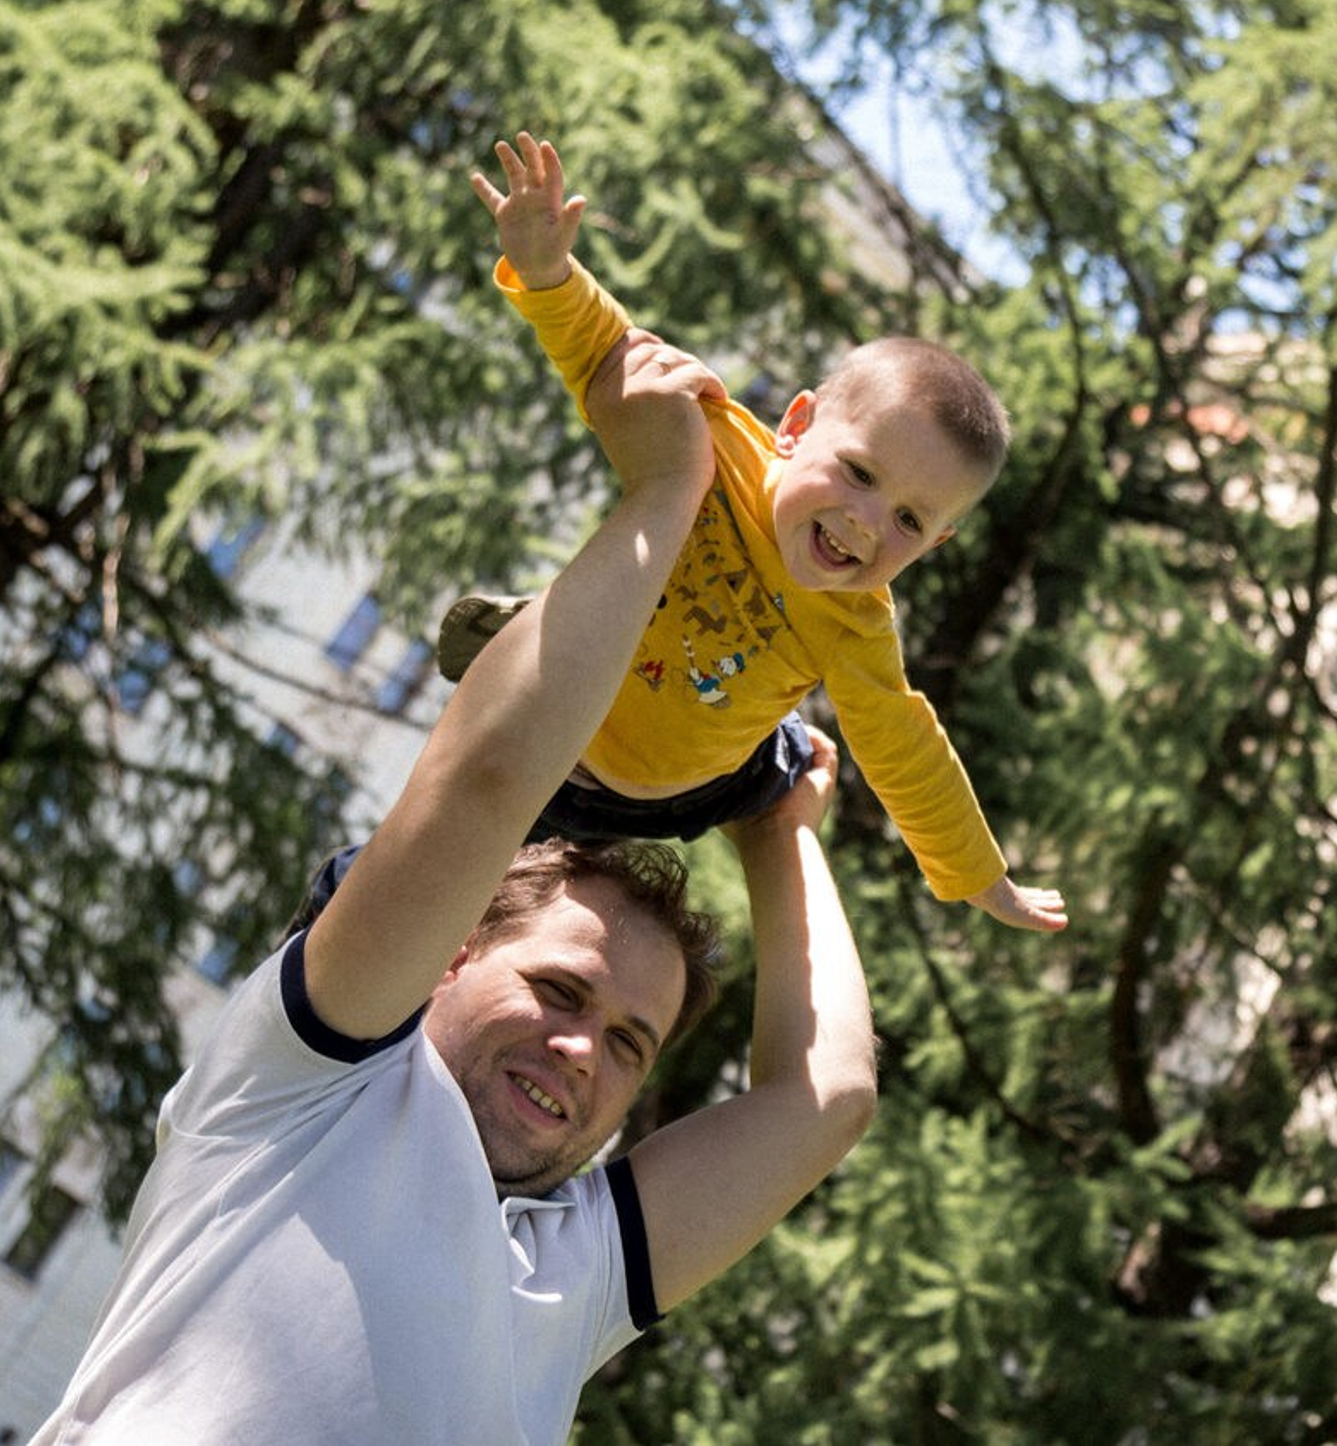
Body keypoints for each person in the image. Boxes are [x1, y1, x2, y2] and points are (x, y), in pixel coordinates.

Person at [31, 335, 877, 1446]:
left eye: (629, 1043)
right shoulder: (309, 1088)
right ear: (452, 955)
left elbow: (826, 1102)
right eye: (563, 992)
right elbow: (487, 782)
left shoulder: (566, 1279)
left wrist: (778, 831)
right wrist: (671, 491)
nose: (584, 1052)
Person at [452, 130, 1068, 935]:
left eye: (910, 521)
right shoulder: (715, 443)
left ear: (933, 546)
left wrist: (983, 881)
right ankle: (507, 633)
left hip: (673, 793)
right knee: (461, 890)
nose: (864, 521)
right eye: (859, 472)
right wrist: (546, 270)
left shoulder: (856, 623)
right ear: (795, 423)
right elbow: (609, 354)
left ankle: (781, 761)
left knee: (786, 763)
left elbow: (907, 751)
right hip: (554, 730)